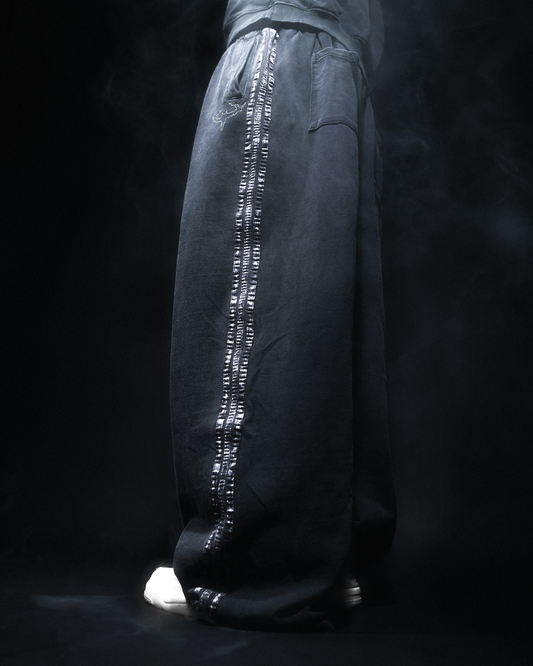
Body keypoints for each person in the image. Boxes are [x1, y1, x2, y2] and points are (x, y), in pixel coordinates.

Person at [144, 0, 396, 631]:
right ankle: (327, 558)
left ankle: (243, 571)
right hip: (338, 65)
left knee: (255, 305)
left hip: (282, 48)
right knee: (326, 317)